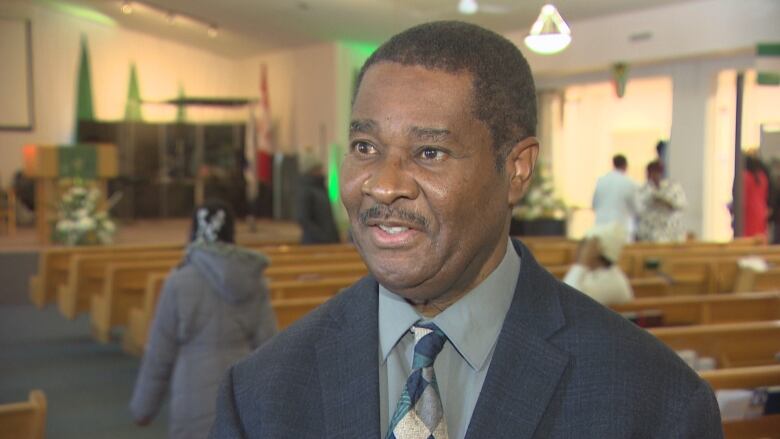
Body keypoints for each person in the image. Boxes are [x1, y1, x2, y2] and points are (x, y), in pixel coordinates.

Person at [211, 21, 721, 438]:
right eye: (366, 148)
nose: (383, 187)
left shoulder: (653, 404)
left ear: (516, 169)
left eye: (429, 153)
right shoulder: (261, 393)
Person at [130, 200, 277, 439]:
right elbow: (269, 346)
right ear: (231, 233)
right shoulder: (253, 280)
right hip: (238, 391)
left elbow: (160, 353)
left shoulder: (178, 281)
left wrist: (143, 408)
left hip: (191, 390)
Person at [563, 222, 633, 305]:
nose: (578, 249)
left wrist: (582, 263)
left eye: (585, 245)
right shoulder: (608, 273)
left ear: (595, 251)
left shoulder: (608, 282)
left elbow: (566, 298)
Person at [637, 160, 688, 242]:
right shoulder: (644, 189)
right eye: (649, 174)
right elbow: (638, 208)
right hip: (649, 232)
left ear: (660, 173)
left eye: (654, 173)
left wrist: (667, 202)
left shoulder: (673, 187)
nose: (651, 177)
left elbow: (682, 205)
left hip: (670, 231)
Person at [591, 154, 637, 241]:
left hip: (601, 225)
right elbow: (635, 208)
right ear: (625, 166)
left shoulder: (601, 181)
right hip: (620, 226)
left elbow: (594, 205)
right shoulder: (629, 183)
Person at [296, 160, 341, 244]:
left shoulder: (322, 189)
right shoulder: (306, 190)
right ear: (312, 171)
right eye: (319, 170)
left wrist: (335, 236)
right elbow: (303, 218)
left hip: (330, 239)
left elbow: (328, 216)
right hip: (313, 241)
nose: (322, 172)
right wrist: (321, 235)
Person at [743, 155, 770, 239]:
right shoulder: (762, 177)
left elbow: (742, 198)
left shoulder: (745, 177)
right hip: (761, 212)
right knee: (759, 239)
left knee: (747, 240)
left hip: (748, 213)